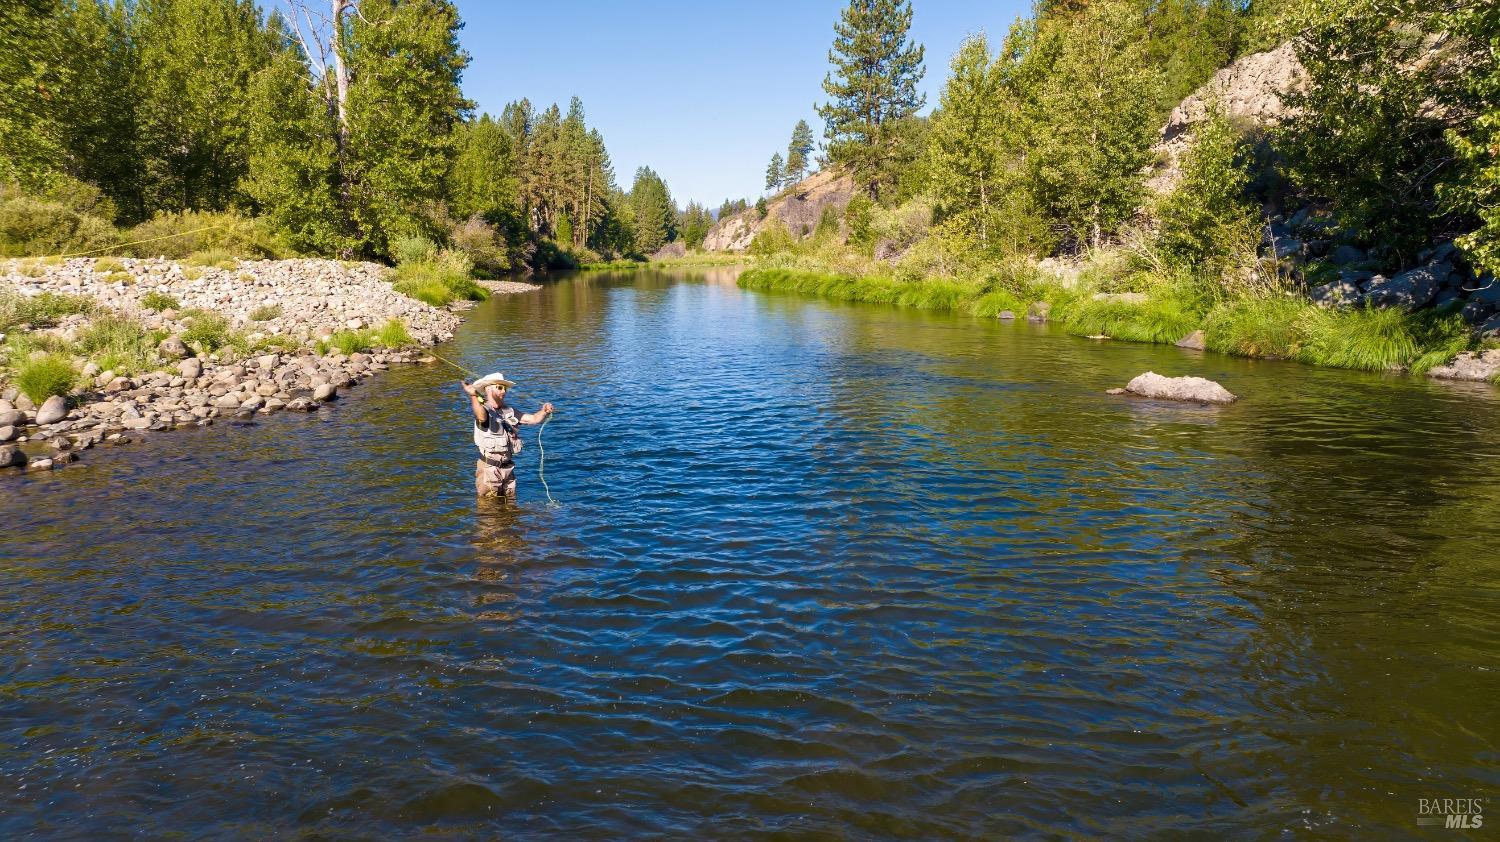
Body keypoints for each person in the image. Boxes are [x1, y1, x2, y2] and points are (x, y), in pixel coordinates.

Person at [461, 372, 554, 498]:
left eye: (505, 388)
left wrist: (544, 411)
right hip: (489, 469)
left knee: (511, 505)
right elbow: (481, 417)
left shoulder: (510, 411)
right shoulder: (483, 409)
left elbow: (533, 419)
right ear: (488, 389)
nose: (503, 391)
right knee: (488, 507)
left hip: (508, 469)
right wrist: (473, 395)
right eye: (499, 387)